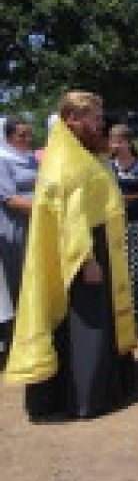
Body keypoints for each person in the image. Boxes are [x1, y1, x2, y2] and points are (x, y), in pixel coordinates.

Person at [4, 91, 137, 421]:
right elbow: (71, 217)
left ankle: (100, 387)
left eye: (99, 115)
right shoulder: (67, 160)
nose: (100, 123)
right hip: (81, 253)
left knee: (95, 319)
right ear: (72, 120)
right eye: (93, 117)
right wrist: (87, 260)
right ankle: (86, 397)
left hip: (96, 246)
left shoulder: (81, 152)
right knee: (84, 323)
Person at [0, 119, 38, 363]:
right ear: (9, 137)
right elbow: (10, 199)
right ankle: (12, 340)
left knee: (30, 281)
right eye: (22, 135)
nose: (27, 139)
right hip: (14, 226)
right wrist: (46, 209)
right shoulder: (2, 160)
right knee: (14, 282)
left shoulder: (32, 159)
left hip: (36, 225)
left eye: (29, 134)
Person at [109, 124, 138, 320]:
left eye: (120, 141)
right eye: (113, 142)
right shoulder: (108, 166)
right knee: (118, 269)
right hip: (114, 225)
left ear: (129, 142)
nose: (116, 146)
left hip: (136, 224)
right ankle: (121, 311)